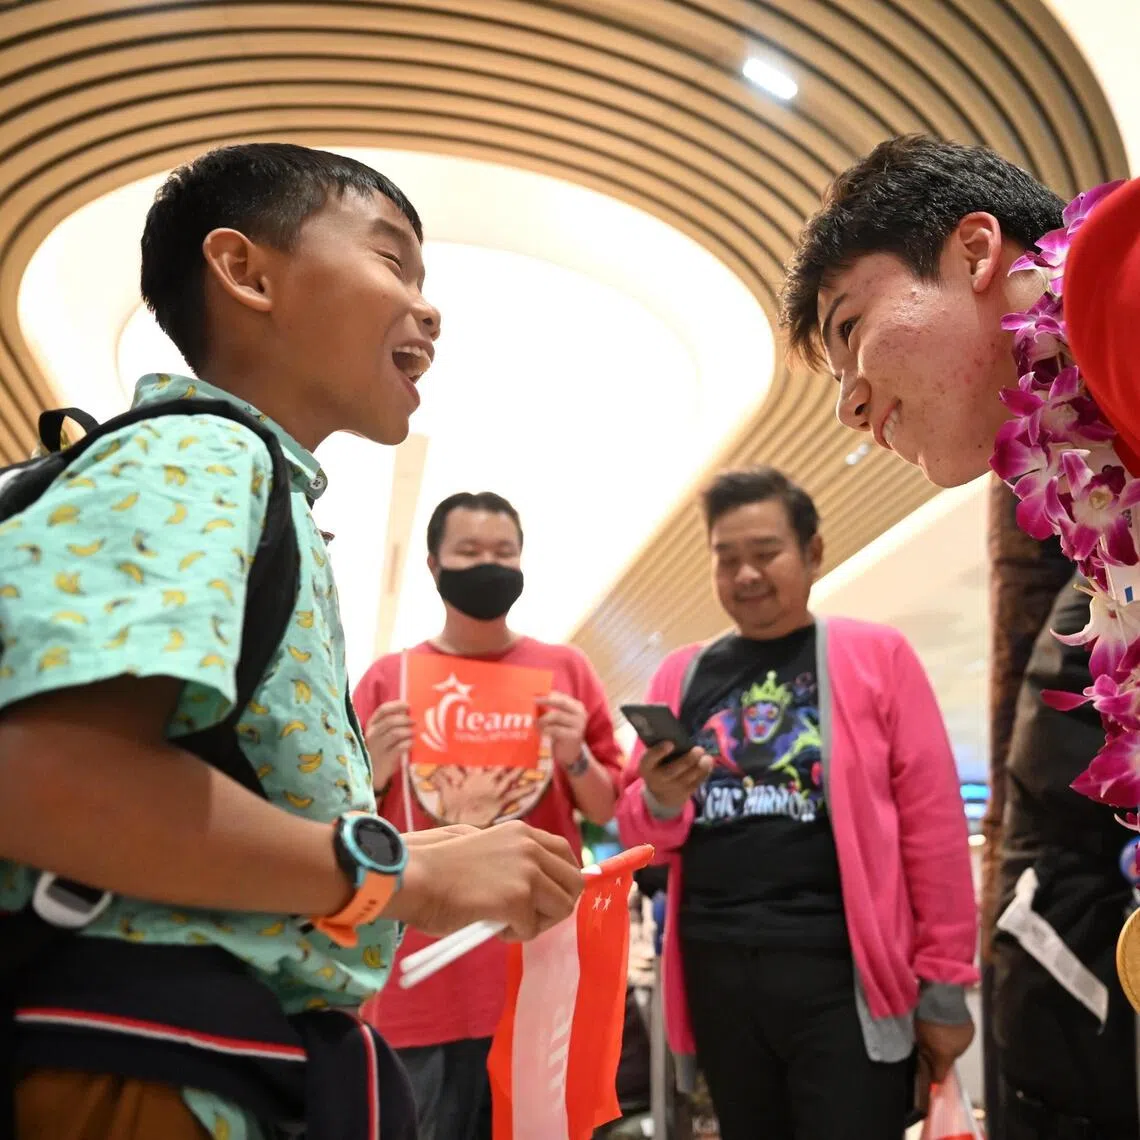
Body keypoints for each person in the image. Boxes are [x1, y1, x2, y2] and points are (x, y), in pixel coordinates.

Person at [0, 143, 584, 1140]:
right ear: (246, 272)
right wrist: (408, 872)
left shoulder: (252, 486)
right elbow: (42, 776)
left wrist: (406, 849)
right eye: (392, 260)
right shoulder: (204, 452)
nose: (428, 308)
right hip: (142, 1072)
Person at [780, 134, 1140, 1138]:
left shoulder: (1120, 277)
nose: (852, 401)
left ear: (979, 252)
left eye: (851, 327)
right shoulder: (1089, 464)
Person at [615, 465, 977, 1140]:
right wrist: (660, 802)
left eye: (765, 553)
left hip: (841, 973)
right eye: (728, 560)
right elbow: (637, 827)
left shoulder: (877, 656)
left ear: (812, 553)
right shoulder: (682, 673)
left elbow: (933, 829)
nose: (746, 575)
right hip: (717, 966)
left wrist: (945, 983)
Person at [354, 490, 624, 1140]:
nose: (488, 564)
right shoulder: (391, 678)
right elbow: (339, 821)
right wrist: (375, 769)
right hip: (418, 981)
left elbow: (611, 807)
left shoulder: (565, 669)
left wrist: (575, 758)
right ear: (433, 564)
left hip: (537, 970)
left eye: (503, 552)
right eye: (469, 552)